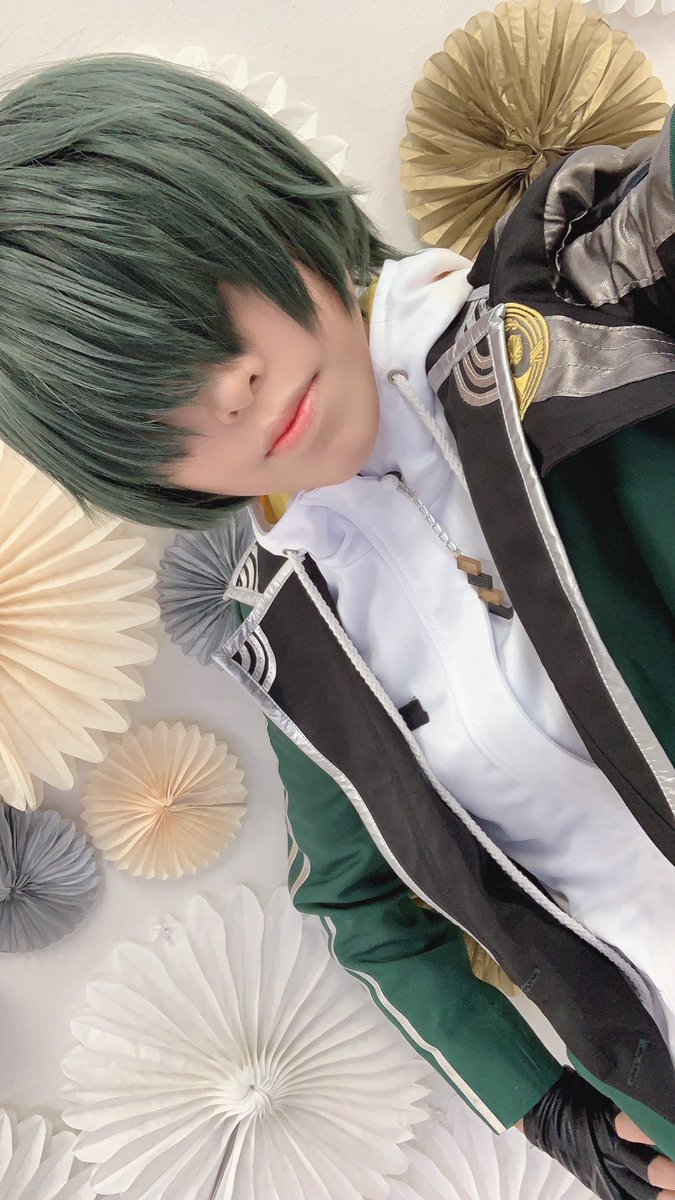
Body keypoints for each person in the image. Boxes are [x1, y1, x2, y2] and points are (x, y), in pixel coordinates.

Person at [0, 52, 674, 1200]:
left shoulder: (586, 284)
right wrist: (557, 1115)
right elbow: (358, 907)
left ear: (263, 208)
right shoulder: (303, 641)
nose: (225, 389)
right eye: (149, 402)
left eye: (202, 306)